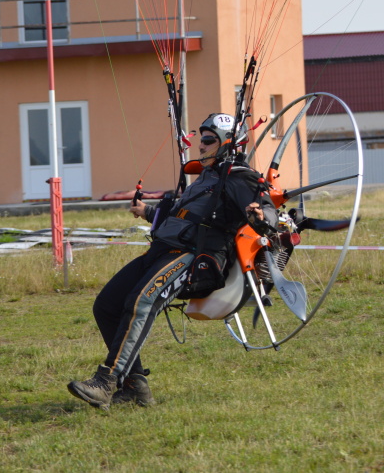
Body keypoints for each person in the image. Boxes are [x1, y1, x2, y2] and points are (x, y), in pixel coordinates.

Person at [67, 112, 279, 409]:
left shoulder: (240, 177)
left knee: (142, 301)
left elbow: (268, 211)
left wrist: (260, 217)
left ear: (228, 144)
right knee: (107, 304)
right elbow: (184, 214)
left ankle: (107, 381)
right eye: (201, 139)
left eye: (209, 140)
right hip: (162, 251)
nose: (201, 145)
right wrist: (148, 212)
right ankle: (135, 385)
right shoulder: (206, 177)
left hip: (194, 258)